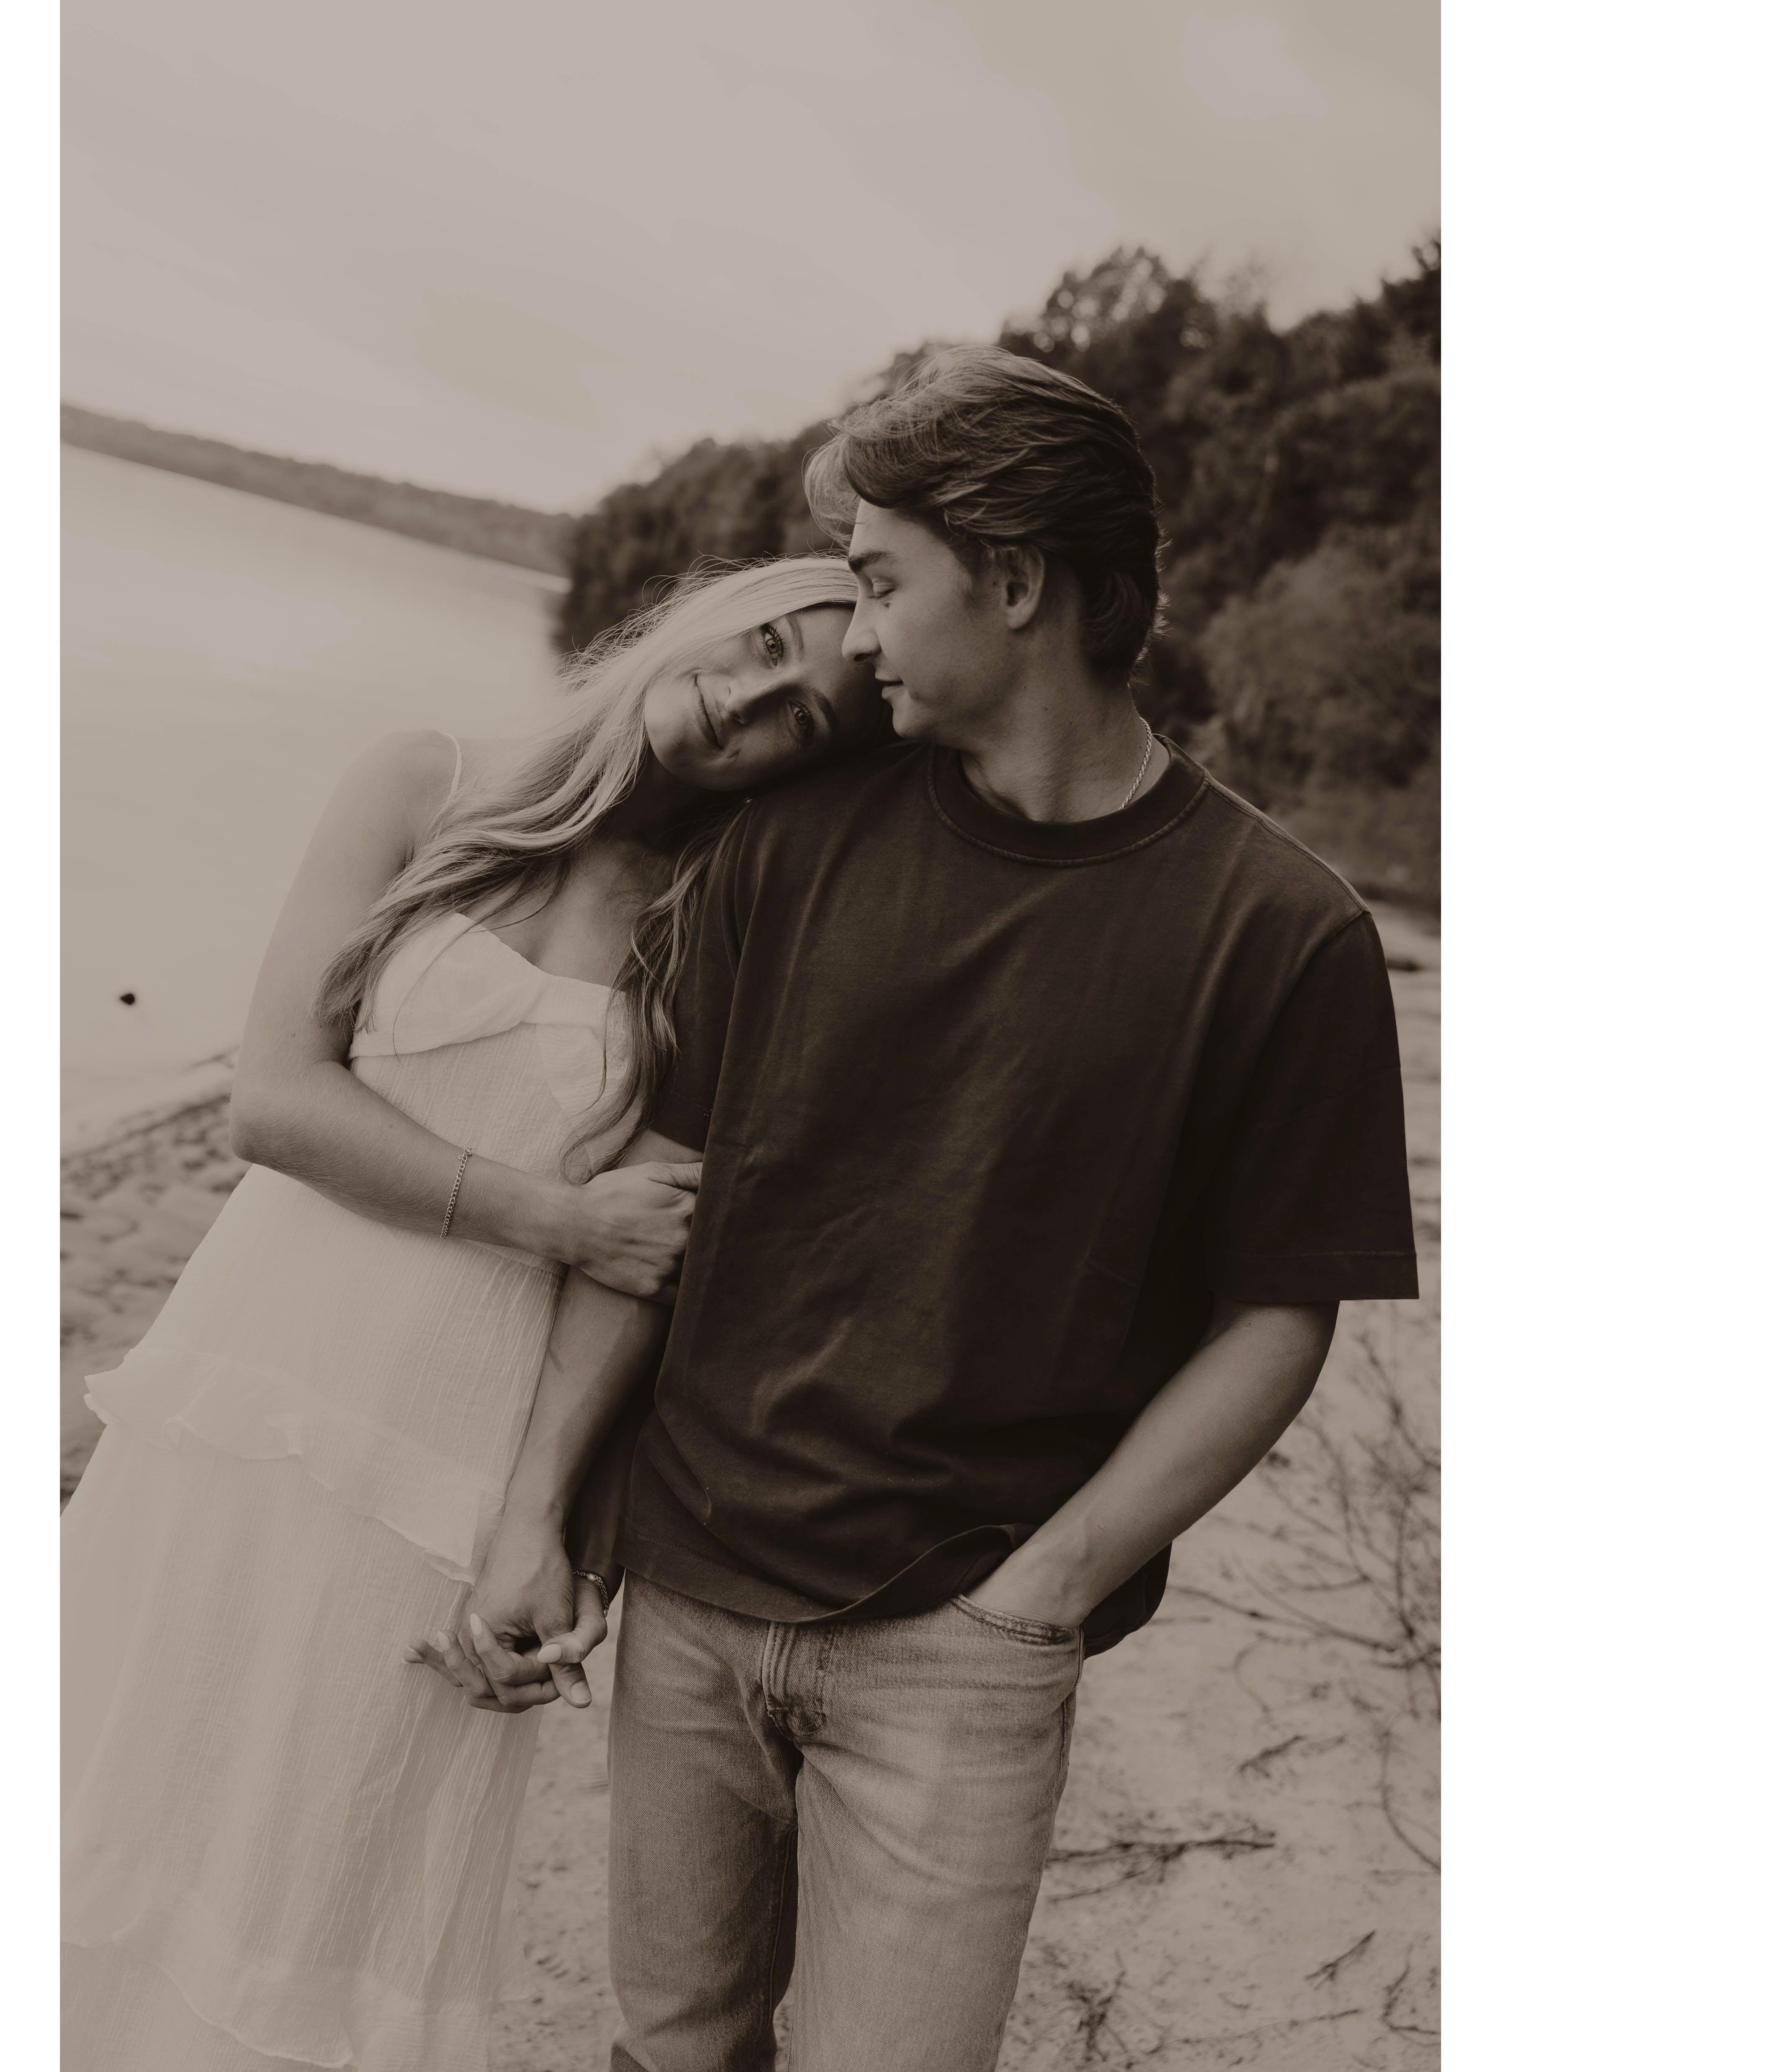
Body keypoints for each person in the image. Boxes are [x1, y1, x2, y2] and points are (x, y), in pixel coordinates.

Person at [421, 347, 1420, 2072]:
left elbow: (1277, 1316)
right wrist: (540, 1510)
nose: (859, 630)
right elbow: (658, 1194)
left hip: (963, 1648)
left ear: (1015, 582)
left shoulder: (1283, 932)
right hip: (693, 1586)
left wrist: (1041, 1597)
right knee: (670, 2050)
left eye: (882, 582)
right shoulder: (793, 840)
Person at [60, 554, 894, 2072]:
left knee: (312, 1873)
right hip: (243, 1396)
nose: (748, 699)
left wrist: (560, 1528)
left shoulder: (717, 930)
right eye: (764, 644)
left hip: (447, 1467)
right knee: (109, 1781)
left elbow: (650, 1267)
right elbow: (273, 1100)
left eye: (803, 716)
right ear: (712, 615)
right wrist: (551, 1214)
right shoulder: (425, 782)